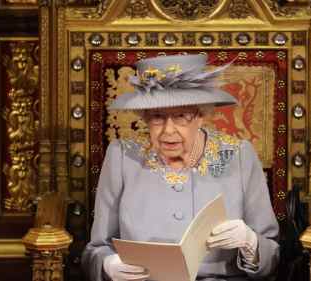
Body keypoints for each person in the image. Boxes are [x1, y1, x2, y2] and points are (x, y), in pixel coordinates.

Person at [82, 54, 280, 281]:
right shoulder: (122, 156)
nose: (168, 130)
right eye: (157, 117)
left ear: (201, 115)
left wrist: (250, 243)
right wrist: (108, 264)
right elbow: (95, 249)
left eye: (181, 117)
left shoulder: (239, 155)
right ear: (145, 118)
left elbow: (272, 256)